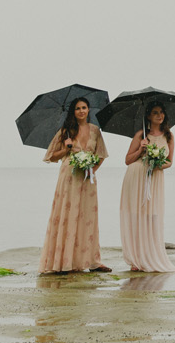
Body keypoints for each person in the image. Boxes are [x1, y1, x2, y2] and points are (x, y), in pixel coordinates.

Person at [39, 97, 110, 274]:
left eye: (84, 107)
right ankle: (63, 262)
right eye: (78, 108)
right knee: (67, 215)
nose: (81, 111)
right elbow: (51, 157)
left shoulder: (95, 131)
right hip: (69, 178)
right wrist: (66, 149)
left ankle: (92, 261)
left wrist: (91, 169)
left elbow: (101, 155)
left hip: (88, 179)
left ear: (88, 110)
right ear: (73, 111)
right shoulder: (66, 131)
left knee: (87, 217)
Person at [119, 102, 175, 272]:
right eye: (155, 113)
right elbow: (128, 160)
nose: (159, 115)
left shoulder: (169, 136)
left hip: (155, 178)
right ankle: (136, 259)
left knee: (152, 216)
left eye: (161, 112)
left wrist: (158, 164)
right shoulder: (140, 135)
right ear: (148, 117)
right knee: (137, 216)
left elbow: (170, 162)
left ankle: (150, 255)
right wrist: (140, 149)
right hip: (137, 176)